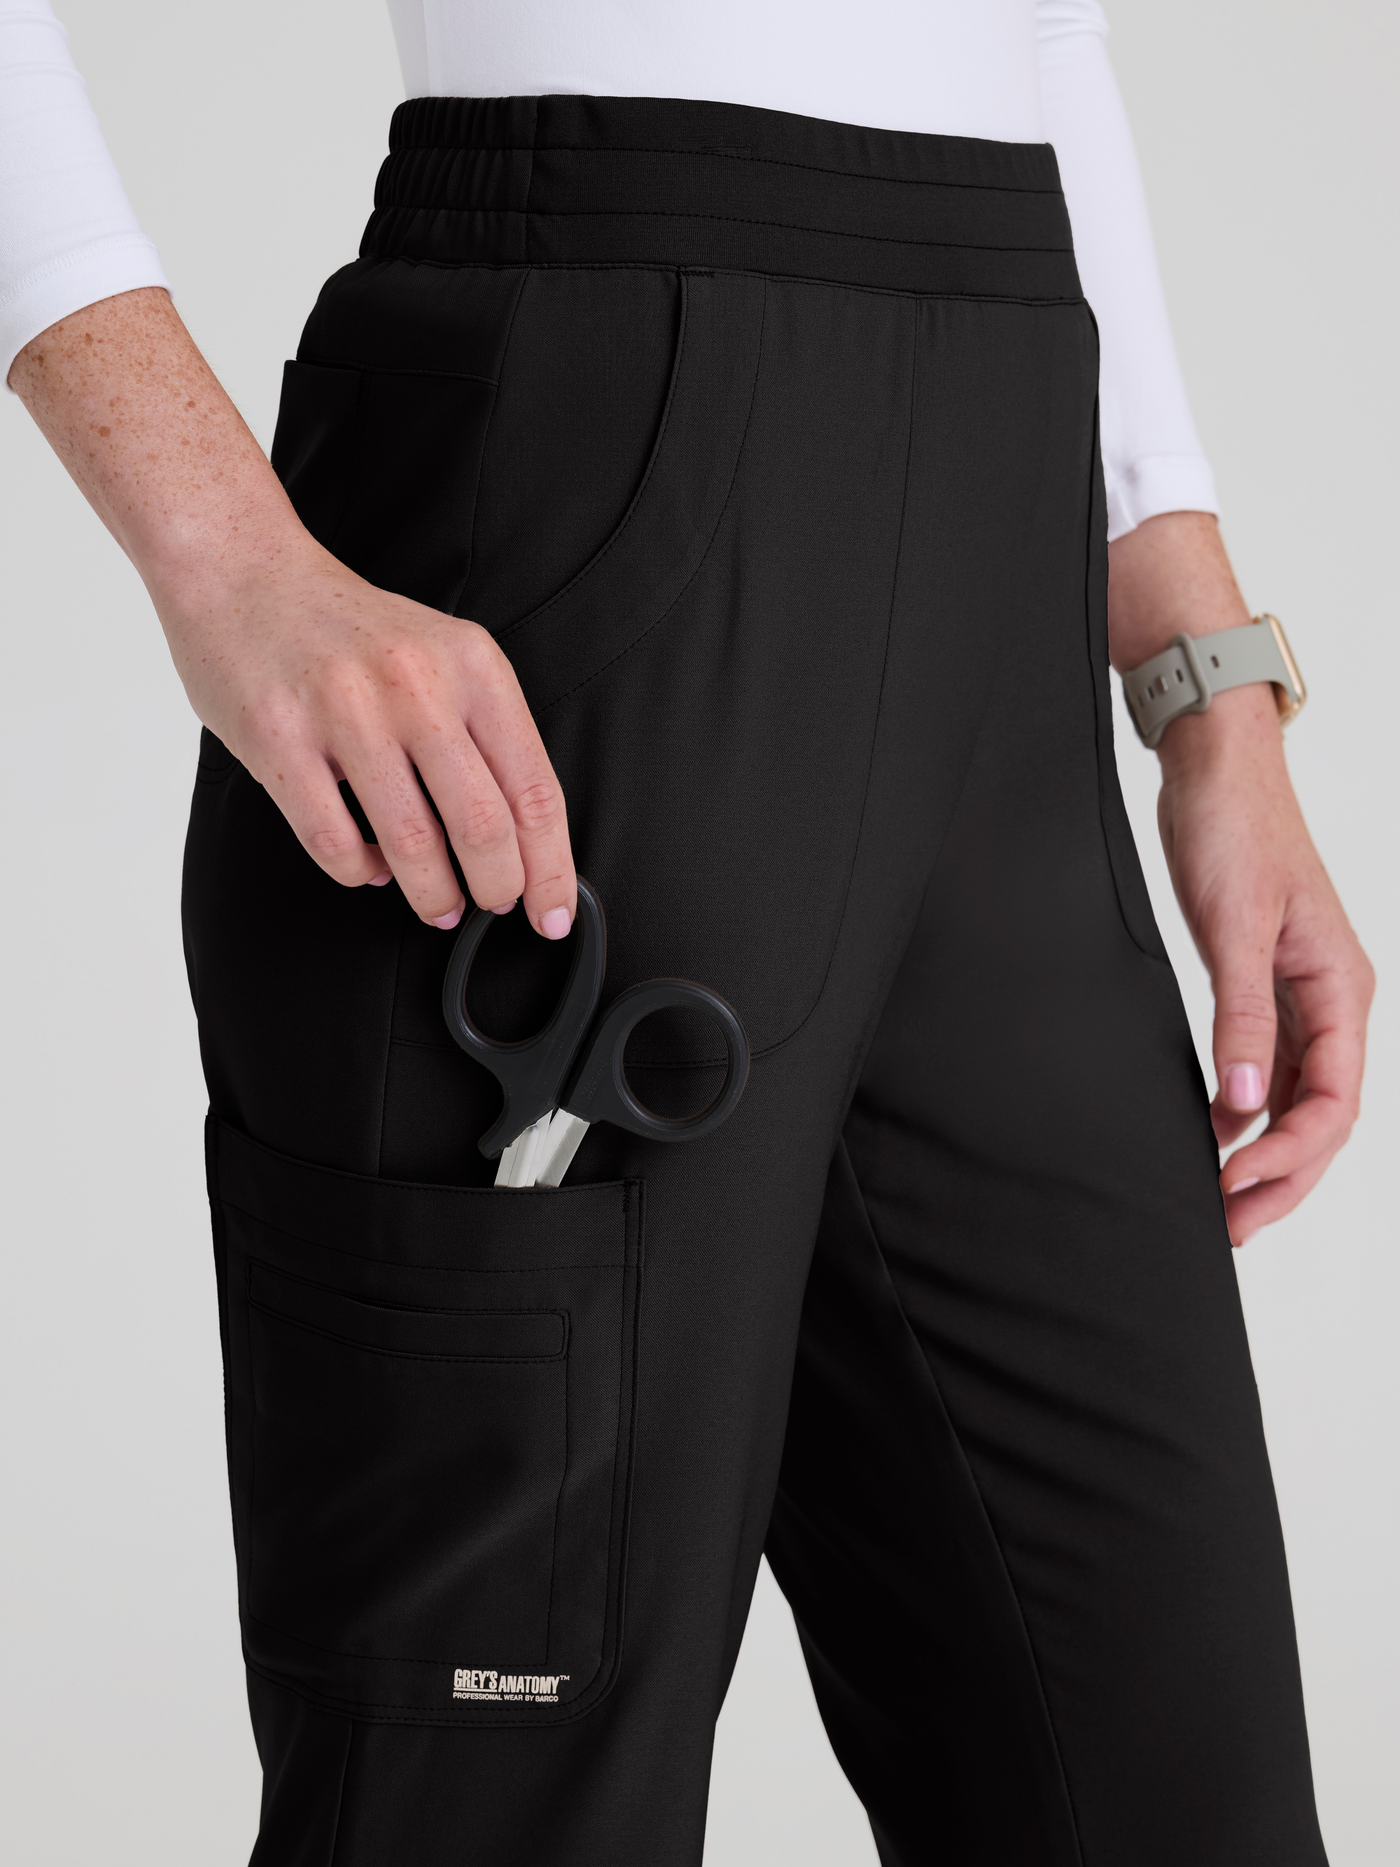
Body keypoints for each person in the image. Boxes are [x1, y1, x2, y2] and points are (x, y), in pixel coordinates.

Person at [1, 3, 1373, 1862]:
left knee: (1172, 1791)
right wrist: (221, 551)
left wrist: (1206, 685)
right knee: (498, 1804)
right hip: (591, 494)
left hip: (1010, 562)